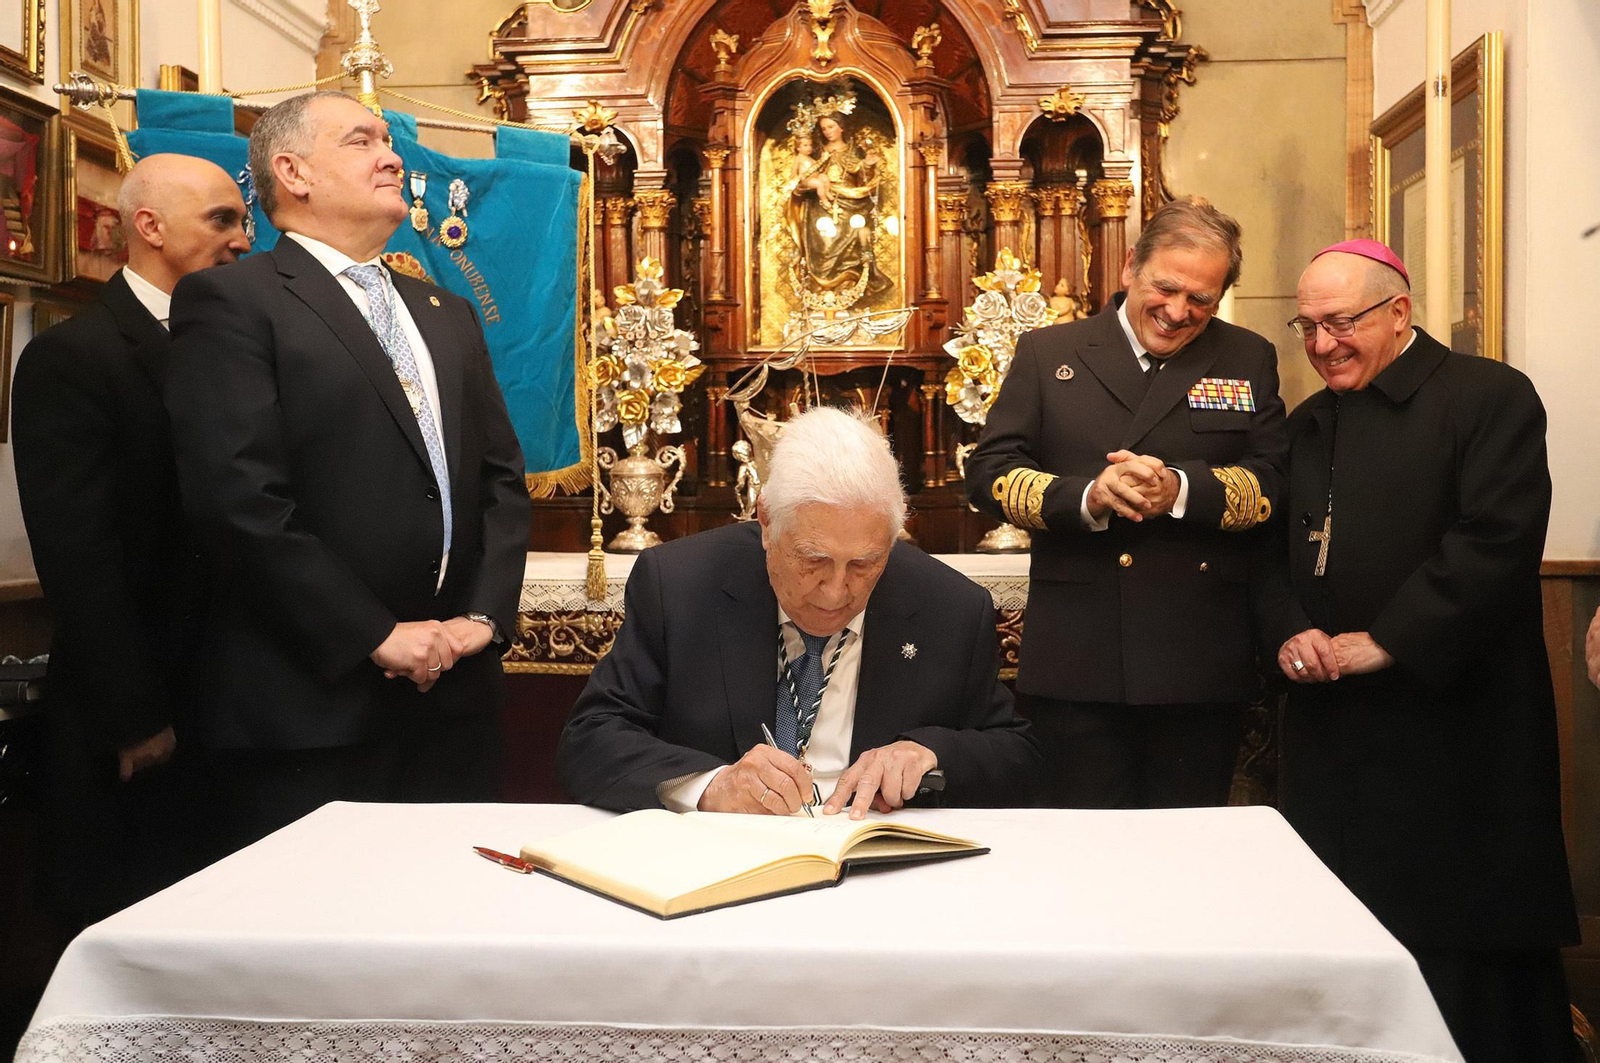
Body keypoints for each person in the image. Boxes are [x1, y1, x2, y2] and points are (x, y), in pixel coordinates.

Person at [164, 91, 530, 849]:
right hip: (311, 712)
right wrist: (375, 633)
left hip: (451, 708)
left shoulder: (443, 310)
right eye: (362, 140)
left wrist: (479, 620)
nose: (392, 155)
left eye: (388, 138)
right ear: (292, 172)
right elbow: (239, 498)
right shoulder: (232, 301)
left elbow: (500, 481)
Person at [1255, 240, 1578, 1062]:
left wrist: (1388, 641)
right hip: (1334, 725)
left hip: (1458, 721)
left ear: (1399, 312)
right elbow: (1270, 553)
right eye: (1309, 328)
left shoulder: (1488, 397)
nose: (1324, 344)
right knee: (1346, 919)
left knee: (1461, 932)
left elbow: (1496, 541)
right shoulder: (1310, 421)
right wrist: (1291, 626)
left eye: (1342, 323)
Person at [559, 407, 1043, 816]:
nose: (836, 593)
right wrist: (710, 786)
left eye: (864, 564)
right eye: (813, 561)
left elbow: (1017, 757)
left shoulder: (950, 606)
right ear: (767, 523)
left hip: (878, 877)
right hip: (718, 864)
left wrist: (932, 754)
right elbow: (591, 739)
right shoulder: (679, 584)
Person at [965, 196, 1287, 809]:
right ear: (1130, 268)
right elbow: (989, 475)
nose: (1176, 312)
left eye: (1201, 300)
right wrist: (1086, 496)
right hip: (1077, 658)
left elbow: (1271, 481)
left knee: (1187, 857)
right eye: (1165, 288)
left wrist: (1181, 491)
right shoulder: (1049, 354)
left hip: (1197, 662)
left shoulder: (1247, 357)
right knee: (1079, 856)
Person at [13, 154, 250, 927]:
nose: (244, 240)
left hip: (235, 708)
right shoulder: (74, 357)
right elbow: (79, 556)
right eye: (223, 219)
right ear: (149, 226)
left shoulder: (236, 345)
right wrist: (137, 718)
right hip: (142, 716)